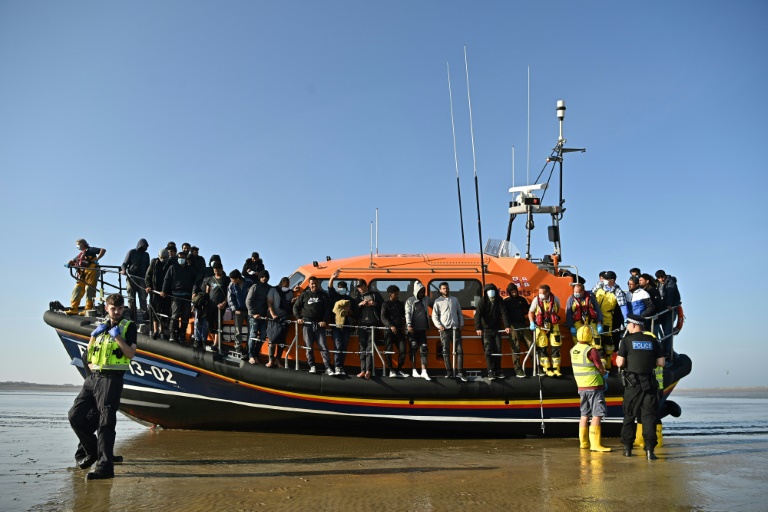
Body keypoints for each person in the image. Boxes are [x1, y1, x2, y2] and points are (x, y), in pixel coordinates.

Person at [68, 293, 137, 480]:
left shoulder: (128, 327)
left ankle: (105, 468)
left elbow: (130, 354)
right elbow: (89, 354)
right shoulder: (101, 327)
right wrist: (93, 336)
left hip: (111, 379)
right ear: (106, 308)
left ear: (123, 309)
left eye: (119, 308)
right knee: (75, 416)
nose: (116, 312)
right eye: (113, 308)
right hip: (94, 378)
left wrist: (117, 337)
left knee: (105, 423)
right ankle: (92, 451)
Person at [616, 314, 665, 460]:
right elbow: (661, 362)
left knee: (630, 414)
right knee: (649, 416)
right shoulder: (653, 341)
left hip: (633, 384)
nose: (627, 326)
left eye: (628, 324)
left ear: (633, 325)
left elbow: (620, 363)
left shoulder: (626, 341)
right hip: (649, 383)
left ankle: (627, 449)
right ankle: (650, 451)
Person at [571, 326, 611, 452]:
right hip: (594, 386)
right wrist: (604, 375)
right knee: (597, 414)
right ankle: (595, 444)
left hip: (581, 387)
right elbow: (599, 366)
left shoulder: (573, 350)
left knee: (584, 415)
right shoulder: (591, 350)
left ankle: (583, 443)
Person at [293, 276, 333, 374]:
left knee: (323, 346)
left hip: (319, 324)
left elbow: (328, 309)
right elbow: (295, 307)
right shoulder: (304, 295)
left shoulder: (323, 295)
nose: (314, 285)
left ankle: (328, 367)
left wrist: (324, 321)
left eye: (315, 283)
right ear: (309, 284)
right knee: (308, 346)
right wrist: (298, 318)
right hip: (307, 324)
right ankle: (312, 366)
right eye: (312, 284)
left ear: (318, 284)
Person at [474, 283, 511, 380]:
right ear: (486, 292)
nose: (491, 292)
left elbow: (504, 313)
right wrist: (478, 328)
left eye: (492, 290)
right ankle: (490, 371)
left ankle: (498, 370)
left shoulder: (499, 300)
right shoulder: (482, 301)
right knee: (488, 350)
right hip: (486, 330)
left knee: (498, 350)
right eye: (489, 290)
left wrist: (507, 326)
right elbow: (478, 314)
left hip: (497, 329)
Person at [593, 271, 626, 371]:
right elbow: (591, 295)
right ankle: (599, 362)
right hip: (595, 317)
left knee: (608, 340)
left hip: (607, 317)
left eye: (606, 279)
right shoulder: (599, 286)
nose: (604, 280)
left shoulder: (618, 292)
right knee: (596, 340)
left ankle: (608, 361)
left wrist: (626, 319)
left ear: (612, 280)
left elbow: (623, 306)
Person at [432, 282, 465, 380]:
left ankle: (460, 372)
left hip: (455, 329)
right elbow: (434, 316)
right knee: (445, 351)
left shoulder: (454, 300)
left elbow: (460, 313)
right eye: (443, 288)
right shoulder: (437, 302)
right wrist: (439, 326)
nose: (445, 290)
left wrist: (461, 324)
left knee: (459, 351)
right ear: (440, 290)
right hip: (444, 330)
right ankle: (449, 371)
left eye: (446, 288)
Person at [161, 251, 196, 344]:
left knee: (185, 316)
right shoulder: (173, 267)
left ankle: (182, 334)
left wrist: (194, 292)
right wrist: (164, 290)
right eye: (179, 257)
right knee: (175, 315)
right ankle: (172, 333)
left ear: (185, 258)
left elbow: (195, 281)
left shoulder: (190, 269)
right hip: (176, 295)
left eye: (183, 257)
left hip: (187, 296)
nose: (181, 259)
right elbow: (167, 279)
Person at [566, 283, 604, 366]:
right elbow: (568, 314)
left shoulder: (590, 298)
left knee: (597, 343)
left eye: (578, 292)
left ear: (583, 291)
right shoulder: (571, 299)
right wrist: (571, 326)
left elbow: (597, 310)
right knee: (579, 344)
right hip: (578, 324)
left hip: (591, 322)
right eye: (575, 291)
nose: (576, 293)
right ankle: (581, 364)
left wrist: (599, 323)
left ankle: (601, 365)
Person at [528, 284, 562, 377]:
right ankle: (547, 369)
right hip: (541, 327)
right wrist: (531, 322)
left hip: (553, 326)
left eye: (542, 293)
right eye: (539, 293)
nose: (540, 295)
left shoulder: (555, 299)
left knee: (556, 347)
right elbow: (531, 312)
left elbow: (557, 309)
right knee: (542, 347)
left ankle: (556, 369)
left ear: (547, 292)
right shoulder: (536, 300)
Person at [66, 239, 106, 315]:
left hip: (92, 272)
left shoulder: (91, 250)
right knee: (77, 289)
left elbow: (103, 250)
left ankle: (88, 308)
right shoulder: (80, 255)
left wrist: (97, 259)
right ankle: (73, 308)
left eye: (78, 244)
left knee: (89, 289)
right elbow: (73, 261)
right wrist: (69, 263)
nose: (77, 246)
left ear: (82, 244)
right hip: (82, 274)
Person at [328, 270, 357, 375]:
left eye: (343, 287)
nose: (341, 289)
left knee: (344, 346)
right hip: (336, 325)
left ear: (346, 289)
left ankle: (341, 366)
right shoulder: (335, 296)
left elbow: (355, 313)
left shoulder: (350, 300)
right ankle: (337, 366)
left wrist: (349, 311)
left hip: (347, 325)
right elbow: (330, 288)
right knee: (338, 345)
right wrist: (332, 278)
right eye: (340, 287)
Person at [355, 279, 383, 380]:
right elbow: (354, 311)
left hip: (373, 325)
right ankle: (362, 370)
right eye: (358, 287)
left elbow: (383, 306)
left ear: (366, 285)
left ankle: (368, 370)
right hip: (362, 325)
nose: (360, 288)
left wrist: (374, 303)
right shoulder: (358, 297)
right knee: (362, 347)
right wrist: (360, 304)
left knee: (370, 348)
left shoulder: (375, 295)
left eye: (361, 286)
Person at [502, 283, 531, 378]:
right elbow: (504, 315)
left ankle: (536, 366)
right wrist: (507, 326)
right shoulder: (506, 302)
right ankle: (518, 369)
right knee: (515, 347)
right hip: (512, 326)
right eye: (512, 292)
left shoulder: (522, 300)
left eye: (515, 291)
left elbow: (528, 310)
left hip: (523, 324)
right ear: (509, 292)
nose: (514, 293)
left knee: (531, 344)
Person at [404, 281, 432, 380]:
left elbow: (435, 305)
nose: (421, 294)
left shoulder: (426, 299)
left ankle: (424, 371)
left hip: (422, 329)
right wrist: (408, 324)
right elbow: (407, 313)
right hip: (412, 329)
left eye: (423, 291)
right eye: (420, 292)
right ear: (416, 291)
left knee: (424, 348)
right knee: (413, 347)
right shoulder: (410, 301)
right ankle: (414, 370)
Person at [381, 285, 409, 378]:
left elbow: (403, 315)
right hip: (388, 331)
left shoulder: (400, 304)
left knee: (403, 350)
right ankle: (391, 370)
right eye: (395, 294)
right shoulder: (385, 304)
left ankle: (399, 369)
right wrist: (390, 326)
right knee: (388, 350)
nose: (397, 295)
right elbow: (383, 317)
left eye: (397, 293)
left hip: (399, 330)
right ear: (390, 294)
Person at [266, 276, 293, 368]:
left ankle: (278, 360)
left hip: (284, 319)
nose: (286, 285)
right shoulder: (273, 290)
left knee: (282, 341)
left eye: (288, 284)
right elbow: (269, 302)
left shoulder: (290, 292)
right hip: (274, 318)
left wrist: (293, 300)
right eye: (285, 283)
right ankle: (270, 360)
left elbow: (290, 304)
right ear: (281, 282)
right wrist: (273, 314)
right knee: (272, 339)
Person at [120, 238, 150, 321]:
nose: (145, 248)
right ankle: (132, 313)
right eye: (143, 246)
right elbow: (124, 264)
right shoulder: (132, 252)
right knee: (131, 297)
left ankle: (144, 313)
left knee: (143, 297)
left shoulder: (146, 255)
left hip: (142, 278)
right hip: (131, 277)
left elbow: (148, 267)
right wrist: (124, 270)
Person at [203, 262, 230, 351]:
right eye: (215, 271)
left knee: (218, 323)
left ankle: (215, 344)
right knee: (209, 323)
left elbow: (229, 293)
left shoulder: (226, 280)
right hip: (211, 305)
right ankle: (215, 341)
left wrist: (224, 303)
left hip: (220, 306)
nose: (217, 272)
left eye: (218, 270)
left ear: (221, 269)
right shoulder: (210, 279)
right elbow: (207, 292)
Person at [246, 270, 271, 364]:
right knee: (253, 335)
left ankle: (256, 354)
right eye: (262, 276)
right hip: (254, 316)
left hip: (263, 317)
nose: (264, 278)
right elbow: (248, 301)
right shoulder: (255, 287)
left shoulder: (269, 288)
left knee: (263, 336)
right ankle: (251, 355)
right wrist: (253, 314)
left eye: (266, 277)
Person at [145, 248, 171, 339]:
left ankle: (162, 329)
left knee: (165, 310)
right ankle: (156, 330)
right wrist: (148, 286)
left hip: (166, 292)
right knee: (154, 310)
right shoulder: (154, 263)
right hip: (155, 291)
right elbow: (148, 276)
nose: (163, 259)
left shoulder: (170, 264)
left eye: (164, 257)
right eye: (161, 257)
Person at [655, 269, 681, 358]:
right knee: (664, 332)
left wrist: (669, 305)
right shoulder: (658, 284)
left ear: (665, 276)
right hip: (663, 310)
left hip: (670, 310)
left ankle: (667, 351)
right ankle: (665, 349)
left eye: (662, 277)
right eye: (659, 278)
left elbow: (670, 293)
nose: (661, 279)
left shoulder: (671, 282)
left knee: (667, 331)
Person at [227, 270, 252, 358]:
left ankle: (248, 347)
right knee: (238, 330)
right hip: (238, 311)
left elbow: (254, 295)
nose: (231, 281)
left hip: (249, 311)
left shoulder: (249, 283)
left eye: (232, 279)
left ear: (238, 278)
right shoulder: (231, 285)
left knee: (251, 330)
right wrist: (235, 309)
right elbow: (230, 298)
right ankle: (238, 346)